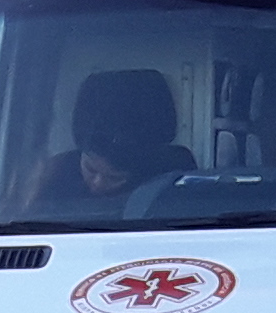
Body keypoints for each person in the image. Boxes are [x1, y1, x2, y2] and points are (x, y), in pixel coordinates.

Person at [16, 68, 196, 213]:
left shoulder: (173, 178)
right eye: (90, 169)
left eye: (115, 177)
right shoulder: (54, 175)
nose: (97, 183)